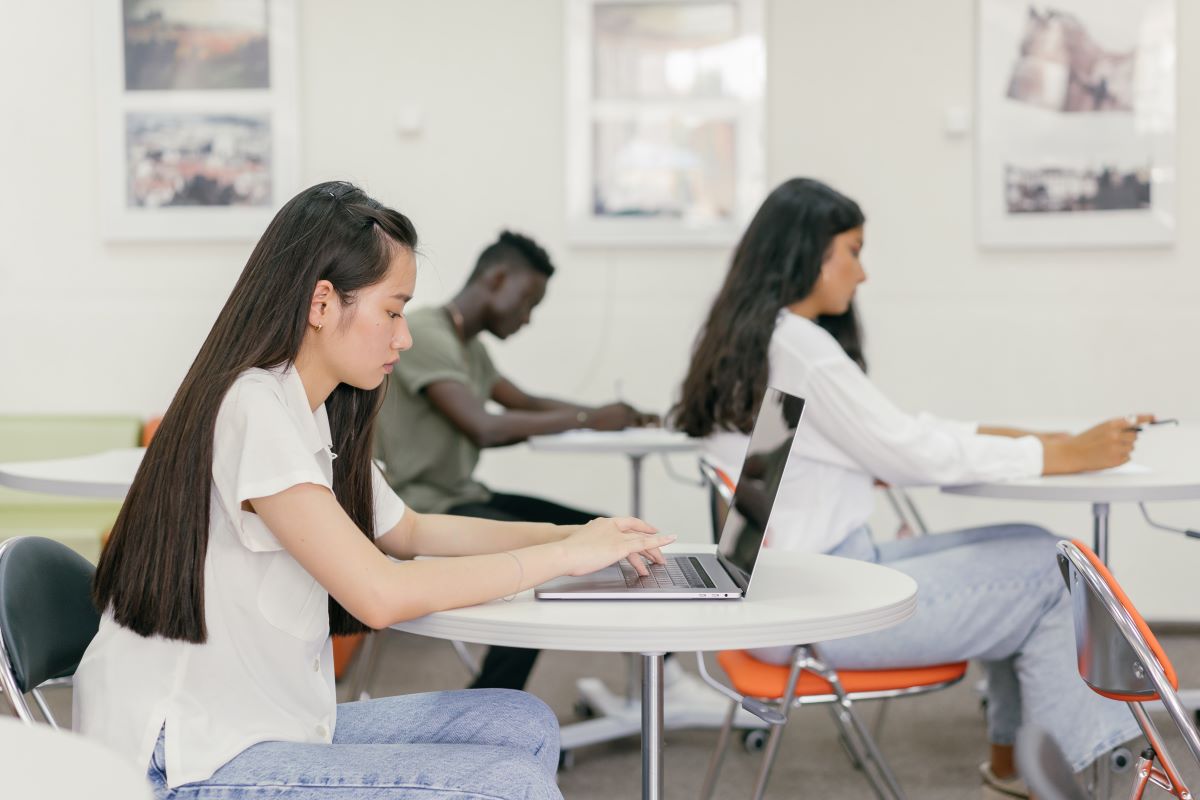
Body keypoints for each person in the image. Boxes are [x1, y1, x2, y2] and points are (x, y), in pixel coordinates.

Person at [74, 181, 674, 800]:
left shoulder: (312, 409)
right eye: (392, 310)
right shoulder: (252, 407)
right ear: (322, 304)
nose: (404, 336)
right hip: (188, 754)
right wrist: (558, 561)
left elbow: (410, 530)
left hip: (266, 721)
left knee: (522, 723)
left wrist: (579, 536)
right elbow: (380, 594)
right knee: (507, 784)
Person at [672, 177, 1146, 798]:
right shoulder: (803, 348)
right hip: (817, 608)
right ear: (808, 253)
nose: (861, 274)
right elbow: (912, 453)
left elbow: (898, 437)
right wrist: (1054, 454)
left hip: (791, 589)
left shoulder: (759, 339)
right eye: (853, 251)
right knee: (1053, 574)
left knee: (1033, 545)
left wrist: (1046, 444)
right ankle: (1080, 785)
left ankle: (1015, 776)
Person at [374, 230, 658, 691]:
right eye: (527, 301)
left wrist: (604, 416)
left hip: (465, 495)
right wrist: (589, 417)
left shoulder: (472, 349)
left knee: (606, 531)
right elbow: (483, 425)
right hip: (426, 508)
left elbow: (523, 402)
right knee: (547, 564)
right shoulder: (425, 333)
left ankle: (656, 666)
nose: (526, 319)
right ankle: (489, 704)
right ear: (496, 277)